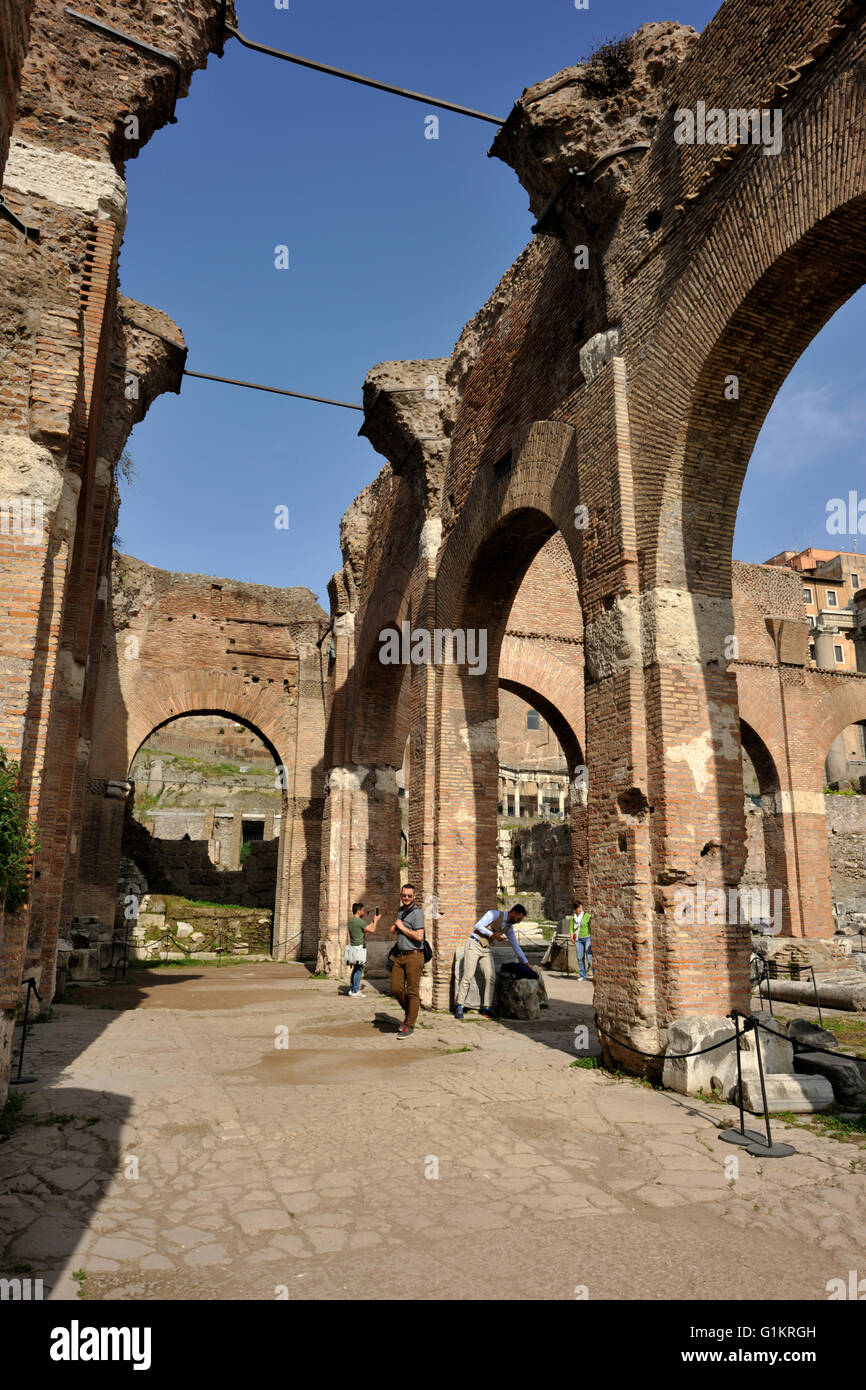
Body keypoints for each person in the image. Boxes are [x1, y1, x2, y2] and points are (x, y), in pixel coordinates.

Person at [454, 904, 528, 1020]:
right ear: (514, 913)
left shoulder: (509, 928)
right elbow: (478, 925)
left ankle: (486, 1008)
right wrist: (492, 935)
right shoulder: (494, 914)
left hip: (486, 948)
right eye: (519, 919)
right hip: (474, 944)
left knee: (491, 977)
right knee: (468, 975)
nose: (518, 922)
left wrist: (526, 962)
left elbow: (515, 946)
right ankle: (460, 1006)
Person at [388, 884, 426, 1037]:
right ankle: (411, 1012)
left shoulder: (417, 913)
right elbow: (398, 929)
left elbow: (419, 936)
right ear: (401, 895)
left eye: (409, 896)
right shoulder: (400, 911)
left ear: (414, 896)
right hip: (400, 955)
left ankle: (409, 1024)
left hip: (414, 955)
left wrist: (402, 928)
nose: (406, 898)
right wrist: (394, 928)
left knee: (412, 991)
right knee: (395, 988)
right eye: (404, 895)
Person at [345, 900, 380, 997]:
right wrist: (376, 921)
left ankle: (352, 990)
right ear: (359, 911)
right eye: (363, 910)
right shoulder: (360, 922)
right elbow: (372, 930)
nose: (364, 912)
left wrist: (373, 921)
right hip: (359, 948)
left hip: (353, 947)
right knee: (359, 969)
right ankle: (356, 991)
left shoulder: (351, 921)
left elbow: (364, 930)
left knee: (355, 969)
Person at [568, 900, 592, 980]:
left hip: (587, 938)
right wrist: (572, 938)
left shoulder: (587, 916)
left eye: (581, 908)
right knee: (580, 957)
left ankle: (595, 974)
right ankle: (583, 975)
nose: (580, 909)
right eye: (578, 908)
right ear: (575, 909)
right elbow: (571, 929)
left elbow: (592, 925)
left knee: (589, 957)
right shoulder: (573, 918)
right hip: (578, 939)